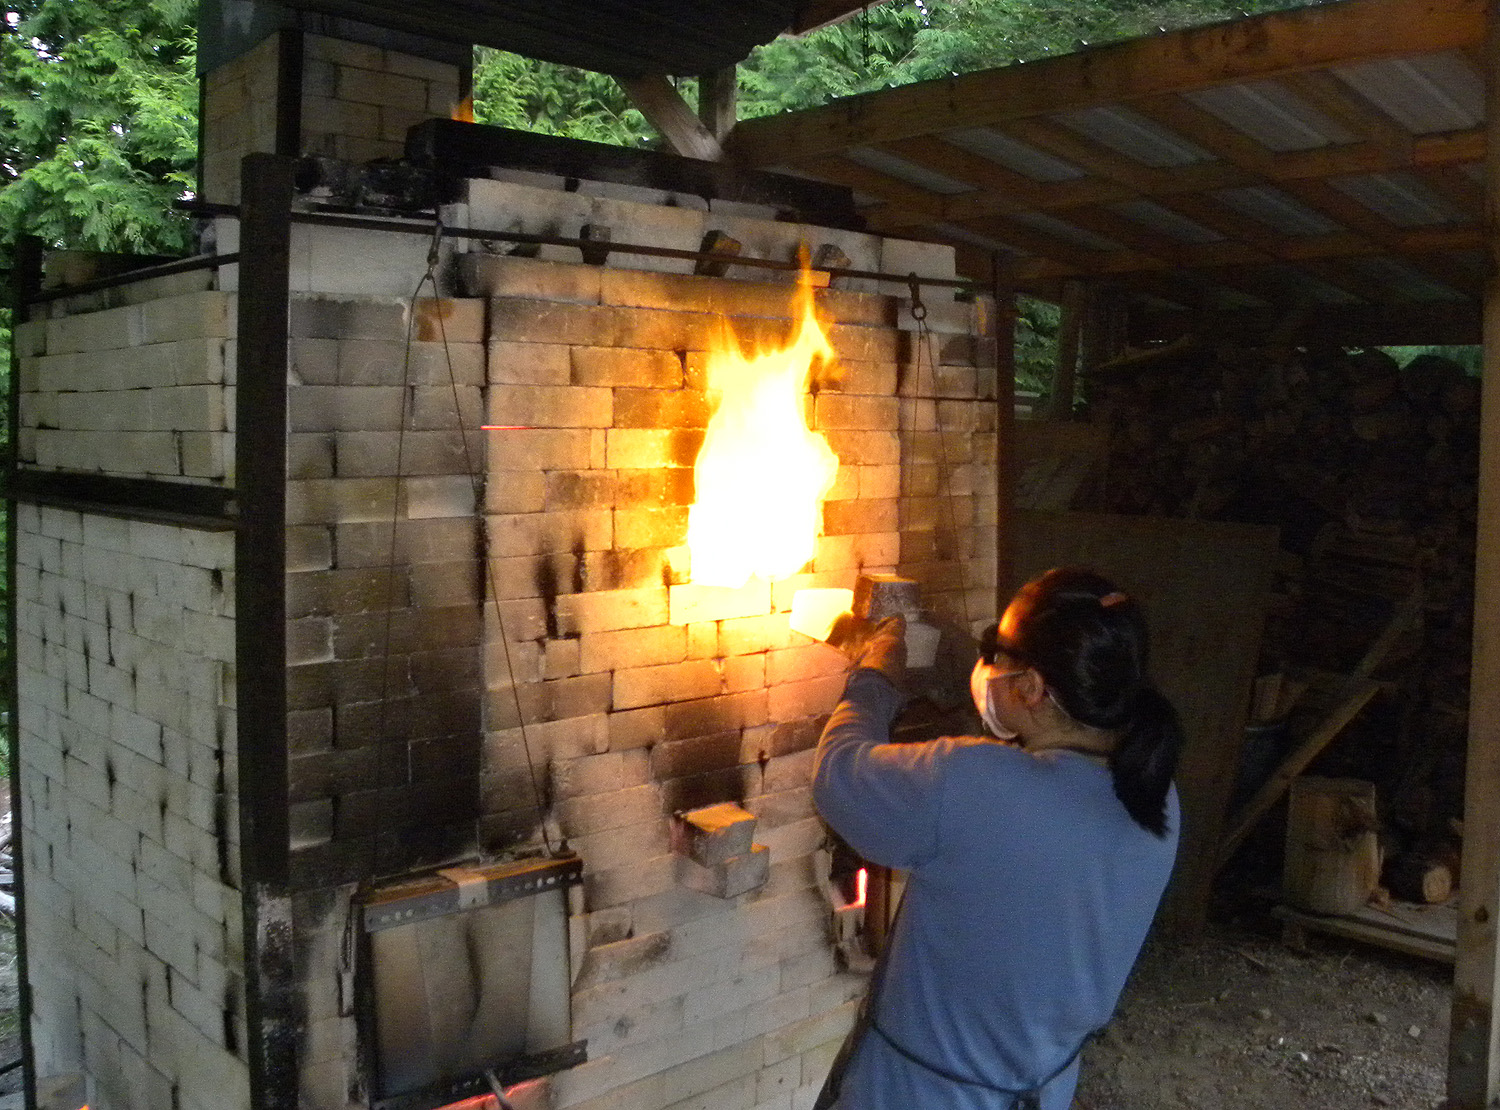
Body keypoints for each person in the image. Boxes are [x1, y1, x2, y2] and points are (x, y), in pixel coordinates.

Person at [812, 567, 1183, 1110]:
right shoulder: (1157, 794)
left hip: (920, 1094)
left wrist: (875, 677)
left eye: (997, 654)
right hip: (1040, 1088)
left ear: (1031, 687)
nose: (987, 668)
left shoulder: (973, 781)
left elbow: (838, 775)